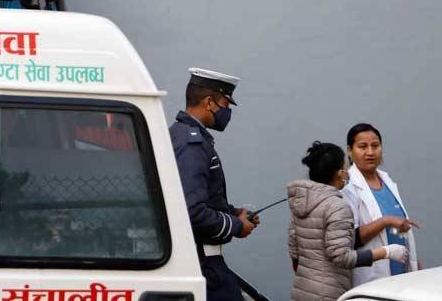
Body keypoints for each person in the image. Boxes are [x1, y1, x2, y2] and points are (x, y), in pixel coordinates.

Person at [169, 68, 257, 301]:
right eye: (226, 104)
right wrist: (236, 226)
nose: (227, 112)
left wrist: (233, 212)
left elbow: (193, 196)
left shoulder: (181, 134)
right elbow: (193, 210)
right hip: (204, 264)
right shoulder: (192, 144)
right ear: (209, 102)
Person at [287, 141, 408, 301]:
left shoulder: (301, 202)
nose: (347, 172)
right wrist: (386, 252)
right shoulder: (337, 206)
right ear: (339, 173)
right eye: (345, 166)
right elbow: (341, 257)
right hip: (328, 293)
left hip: (302, 289)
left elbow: (294, 250)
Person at [343, 123, 421, 285]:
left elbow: (398, 231)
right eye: (363, 146)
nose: (370, 152)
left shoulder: (387, 181)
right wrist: (385, 221)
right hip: (372, 275)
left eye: (375, 146)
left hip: (402, 274)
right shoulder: (347, 187)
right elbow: (351, 239)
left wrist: (415, 264)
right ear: (350, 151)